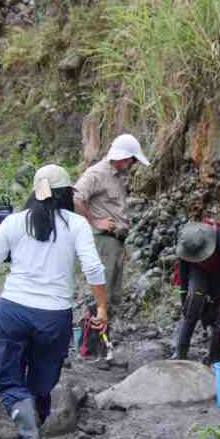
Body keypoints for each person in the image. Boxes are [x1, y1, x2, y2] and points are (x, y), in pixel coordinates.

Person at [0, 165, 108, 439]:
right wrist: (101, 307)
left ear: (35, 192)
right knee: (42, 380)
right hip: (54, 316)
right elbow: (93, 269)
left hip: (12, 311)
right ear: (67, 193)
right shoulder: (77, 224)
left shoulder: (14, 222)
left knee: (8, 376)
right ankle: (32, 432)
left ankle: (27, 433)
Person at [74, 133, 149, 312]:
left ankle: (106, 328)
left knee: (114, 297)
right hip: (103, 241)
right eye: (132, 160)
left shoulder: (116, 176)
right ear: (124, 158)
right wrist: (95, 221)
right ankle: (93, 329)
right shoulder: (97, 174)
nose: (133, 165)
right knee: (102, 296)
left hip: (115, 241)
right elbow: (75, 198)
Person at [171, 220, 220, 365]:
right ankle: (180, 354)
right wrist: (184, 297)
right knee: (191, 306)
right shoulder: (186, 241)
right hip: (198, 269)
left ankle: (214, 360)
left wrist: (219, 300)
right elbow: (183, 271)